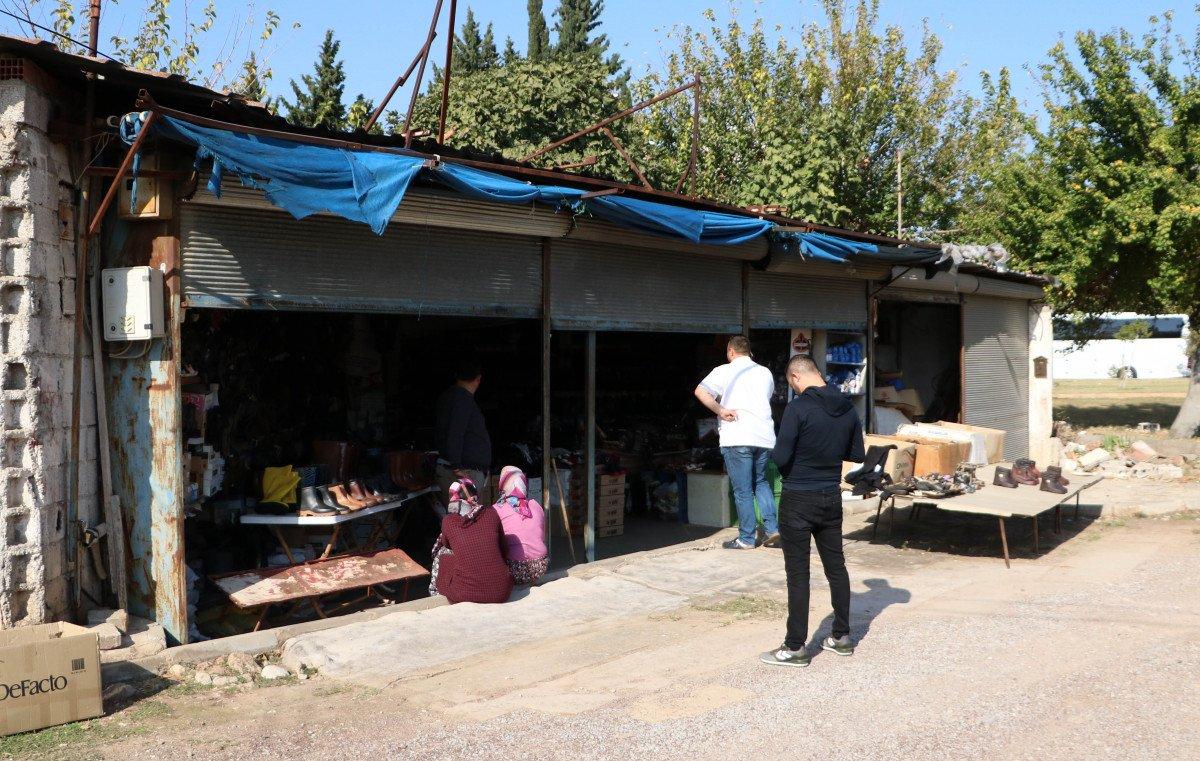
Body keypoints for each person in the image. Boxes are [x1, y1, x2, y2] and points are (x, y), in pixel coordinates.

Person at [761, 354, 865, 668]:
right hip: (830, 497)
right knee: (836, 567)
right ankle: (842, 637)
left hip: (797, 499)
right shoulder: (847, 408)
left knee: (798, 574)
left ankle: (795, 648)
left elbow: (780, 457)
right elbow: (856, 453)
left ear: (795, 378)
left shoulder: (797, 408)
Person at [695, 335, 780, 549]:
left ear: (731, 352)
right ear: (749, 352)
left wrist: (720, 410)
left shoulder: (723, 370)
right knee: (760, 482)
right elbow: (766, 397)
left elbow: (700, 391)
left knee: (742, 490)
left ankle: (747, 538)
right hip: (763, 437)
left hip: (738, 436)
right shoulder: (765, 372)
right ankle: (773, 530)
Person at [430, 478, 513, 605]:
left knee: (442, 552)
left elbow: (446, 545)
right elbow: (504, 549)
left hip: (466, 594)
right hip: (502, 591)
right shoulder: (491, 513)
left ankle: (433, 592)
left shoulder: (449, 521)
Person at [435, 356, 492, 509]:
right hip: (463, 471)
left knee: (460, 518)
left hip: (458, 467)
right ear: (478, 379)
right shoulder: (462, 400)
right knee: (467, 520)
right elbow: (456, 432)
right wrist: (456, 467)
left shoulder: (449, 397)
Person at [492, 466, 549, 585]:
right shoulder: (535, 505)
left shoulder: (497, 509)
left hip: (514, 568)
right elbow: (542, 536)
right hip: (541, 566)